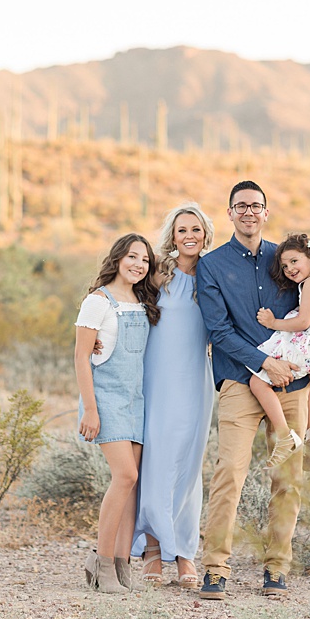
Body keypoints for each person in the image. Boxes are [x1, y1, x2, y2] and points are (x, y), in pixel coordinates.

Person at [195, 180, 310, 599]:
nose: (248, 212)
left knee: (288, 477)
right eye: (240, 206)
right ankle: (215, 568)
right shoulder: (212, 265)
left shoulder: (289, 259)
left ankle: (277, 567)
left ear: (266, 211)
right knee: (230, 473)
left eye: (256, 206)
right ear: (229, 213)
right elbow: (217, 329)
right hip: (241, 382)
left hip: (293, 383)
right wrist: (262, 361)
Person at [132, 202, 217, 587]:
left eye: (195, 230)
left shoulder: (214, 277)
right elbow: (124, 304)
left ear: (205, 235)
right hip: (156, 378)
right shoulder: (156, 275)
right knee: (156, 461)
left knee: (187, 465)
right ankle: (152, 549)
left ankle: (184, 552)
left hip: (195, 379)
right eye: (182, 230)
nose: (189, 236)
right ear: (173, 235)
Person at [73, 233, 160, 594]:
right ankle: (102, 561)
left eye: (145, 260)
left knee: (133, 486)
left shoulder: (141, 301)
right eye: (132, 257)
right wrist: (90, 410)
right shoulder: (98, 301)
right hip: (106, 399)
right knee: (124, 476)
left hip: (135, 399)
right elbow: (80, 358)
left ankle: (122, 565)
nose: (138, 264)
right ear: (117, 258)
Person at [246, 233, 310, 472]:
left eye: (294, 261)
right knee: (306, 388)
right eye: (284, 266)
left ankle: (286, 436)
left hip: (308, 347)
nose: (289, 269)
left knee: (257, 382)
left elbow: (304, 322)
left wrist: (273, 323)